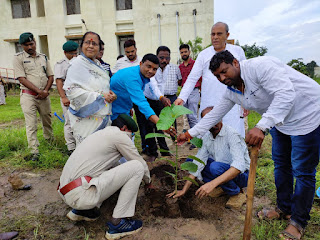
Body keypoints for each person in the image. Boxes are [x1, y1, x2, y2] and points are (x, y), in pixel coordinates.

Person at [177, 50, 320, 240]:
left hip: (308, 113)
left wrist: (260, 126)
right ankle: (284, 208)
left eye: (224, 71)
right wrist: (188, 134)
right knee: (281, 165)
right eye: (218, 75)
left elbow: (286, 94)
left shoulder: (260, 67)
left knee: (302, 171)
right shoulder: (232, 92)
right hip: (280, 120)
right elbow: (213, 115)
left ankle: (298, 222)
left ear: (235, 63)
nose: (222, 78)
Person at [58, 114, 150, 239]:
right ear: (123, 128)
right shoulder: (119, 136)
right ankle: (119, 223)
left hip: (66, 190)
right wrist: (148, 181)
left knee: (112, 167)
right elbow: (139, 162)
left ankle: (84, 211)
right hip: (79, 195)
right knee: (137, 167)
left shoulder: (100, 134)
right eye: (131, 133)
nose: (131, 137)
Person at [175, 22, 246, 137]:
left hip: (233, 101)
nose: (215, 37)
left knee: (233, 134)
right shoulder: (204, 55)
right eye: (213, 34)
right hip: (209, 102)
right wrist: (182, 97)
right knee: (208, 136)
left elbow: (244, 77)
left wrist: (244, 101)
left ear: (227, 35)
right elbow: (192, 78)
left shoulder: (237, 51)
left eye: (219, 34)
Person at [168, 106, 250, 207]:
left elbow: (238, 167)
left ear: (221, 118)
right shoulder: (207, 138)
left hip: (243, 175)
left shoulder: (232, 135)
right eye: (208, 121)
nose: (213, 124)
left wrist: (212, 184)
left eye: (215, 119)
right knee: (191, 161)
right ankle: (223, 187)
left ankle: (237, 193)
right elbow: (198, 163)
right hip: (222, 169)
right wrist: (184, 190)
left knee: (215, 167)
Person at [63, 31, 117, 145]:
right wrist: (100, 97)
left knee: (103, 150)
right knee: (88, 152)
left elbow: (102, 86)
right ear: (82, 46)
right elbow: (71, 91)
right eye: (87, 42)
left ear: (99, 47)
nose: (91, 46)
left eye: (95, 44)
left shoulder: (99, 65)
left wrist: (110, 94)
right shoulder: (77, 64)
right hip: (85, 120)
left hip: (103, 116)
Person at [110, 54, 175, 140]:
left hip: (124, 109)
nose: (151, 71)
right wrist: (161, 124)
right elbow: (142, 104)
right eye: (148, 66)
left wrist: (129, 106)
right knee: (120, 141)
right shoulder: (133, 77)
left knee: (128, 139)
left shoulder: (140, 75)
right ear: (141, 63)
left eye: (154, 69)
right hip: (113, 112)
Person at [13, 32, 54, 161]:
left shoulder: (43, 57)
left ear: (35, 42)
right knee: (31, 124)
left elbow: (51, 76)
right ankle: (34, 151)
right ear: (21, 46)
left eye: (31, 44)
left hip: (44, 96)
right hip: (28, 96)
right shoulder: (18, 58)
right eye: (26, 45)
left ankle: (50, 144)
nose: (30, 47)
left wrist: (45, 91)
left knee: (47, 120)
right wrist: (38, 91)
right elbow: (21, 78)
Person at [142, 46, 181, 161]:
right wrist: (161, 97)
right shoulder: (153, 68)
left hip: (159, 100)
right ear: (157, 57)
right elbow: (153, 84)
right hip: (149, 100)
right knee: (150, 126)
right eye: (161, 58)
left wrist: (162, 98)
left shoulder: (168, 68)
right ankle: (153, 152)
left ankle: (164, 150)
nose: (164, 60)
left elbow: (162, 85)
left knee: (162, 126)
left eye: (167, 58)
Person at [54, 40, 78, 154]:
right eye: (71, 53)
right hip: (67, 96)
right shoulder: (61, 64)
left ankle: (79, 145)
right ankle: (71, 147)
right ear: (65, 53)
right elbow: (59, 81)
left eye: (75, 53)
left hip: (78, 96)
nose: (74, 55)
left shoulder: (78, 62)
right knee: (69, 121)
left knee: (79, 120)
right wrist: (63, 97)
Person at [179, 43, 201, 149]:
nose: (184, 54)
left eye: (185, 52)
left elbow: (200, 78)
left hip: (194, 91)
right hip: (184, 93)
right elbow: (180, 80)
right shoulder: (180, 66)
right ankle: (191, 137)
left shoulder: (195, 64)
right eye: (182, 52)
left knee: (192, 116)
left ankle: (196, 140)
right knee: (187, 116)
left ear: (189, 52)